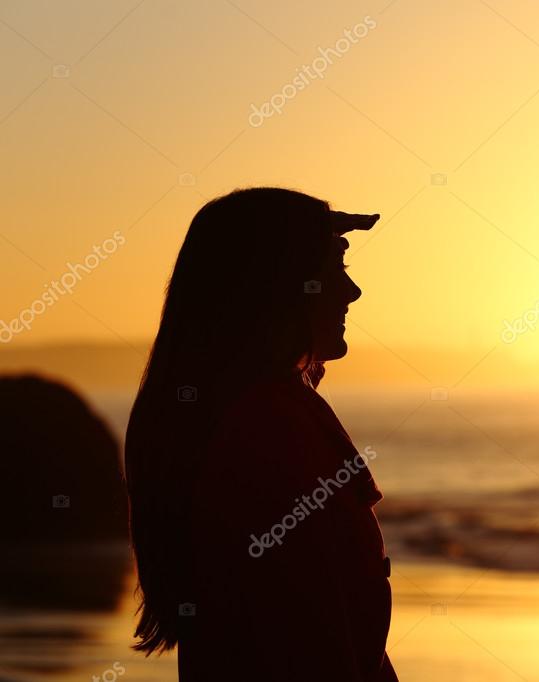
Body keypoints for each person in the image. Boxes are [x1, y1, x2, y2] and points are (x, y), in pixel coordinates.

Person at [124, 187, 398, 680]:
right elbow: (313, 648)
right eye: (335, 269)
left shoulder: (249, 417)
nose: (351, 292)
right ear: (279, 287)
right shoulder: (272, 434)